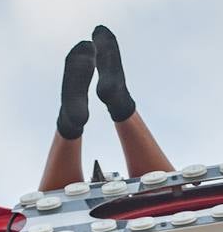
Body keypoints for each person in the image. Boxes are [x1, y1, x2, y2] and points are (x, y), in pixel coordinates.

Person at [40, 26, 175, 191]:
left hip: (79, 216)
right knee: (173, 202)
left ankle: (69, 126)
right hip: (153, 215)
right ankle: (121, 105)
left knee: (53, 209)